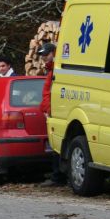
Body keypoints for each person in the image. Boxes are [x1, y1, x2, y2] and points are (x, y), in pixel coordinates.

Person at [37, 42, 64, 186]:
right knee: (55, 145)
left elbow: (50, 93)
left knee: (56, 145)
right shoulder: (50, 71)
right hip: (52, 111)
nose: (44, 58)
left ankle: (57, 177)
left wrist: (48, 109)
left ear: (54, 53)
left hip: (55, 111)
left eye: (46, 55)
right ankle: (57, 175)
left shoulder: (56, 71)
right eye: (42, 56)